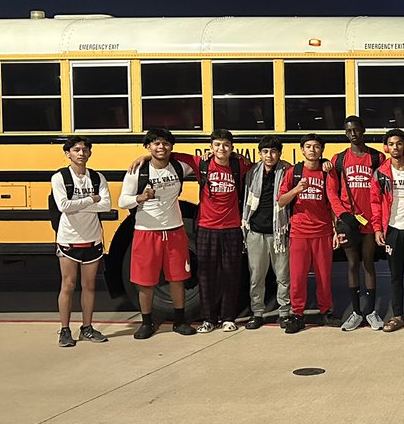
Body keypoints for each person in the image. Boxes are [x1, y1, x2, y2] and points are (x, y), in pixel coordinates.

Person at [168, 130, 253, 333]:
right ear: (210, 147)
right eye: (217, 145)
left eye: (225, 145)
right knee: (206, 276)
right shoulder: (201, 163)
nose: (221, 149)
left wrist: (240, 157)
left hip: (232, 227)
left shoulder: (238, 165)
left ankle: (228, 317)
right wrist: (145, 156)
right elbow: (172, 155)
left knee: (231, 275)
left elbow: (263, 167)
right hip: (207, 227)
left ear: (231, 148)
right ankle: (208, 319)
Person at [118, 128, 198, 340]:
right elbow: (122, 200)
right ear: (148, 146)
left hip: (174, 230)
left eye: (165, 143)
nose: (160, 147)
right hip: (146, 232)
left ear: (171, 147)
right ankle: (146, 322)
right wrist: (140, 197)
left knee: (178, 278)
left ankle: (180, 321)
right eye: (155, 143)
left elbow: (202, 160)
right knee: (145, 281)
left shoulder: (179, 167)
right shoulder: (138, 171)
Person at [277, 133, 345, 333]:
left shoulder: (327, 173)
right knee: (297, 277)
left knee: (324, 276)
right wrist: (296, 190)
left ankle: (326, 311)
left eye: (316, 147)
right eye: (308, 146)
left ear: (322, 150)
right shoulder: (294, 172)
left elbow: (332, 203)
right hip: (299, 232)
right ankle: (298, 314)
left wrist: (335, 230)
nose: (312, 150)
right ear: (302, 150)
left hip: (322, 231)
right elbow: (281, 201)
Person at [51, 135, 111, 347]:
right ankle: (65, 330)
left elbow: (106, 206)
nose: (81, 153)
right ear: (68, 153)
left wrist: (79, 203)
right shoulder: (60, 177)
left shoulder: (96, 177)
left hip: (93, 239)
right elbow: (63, 206)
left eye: (85, 149)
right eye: (76, 149)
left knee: (89, 285)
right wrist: (91, 200)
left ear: (90, 153)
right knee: (68, 285)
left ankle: (87, 327)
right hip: (68, 240)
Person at [333, 116, 384, 331]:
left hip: (370, 220)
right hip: (349, 221)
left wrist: (380, 219)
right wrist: (341, 216)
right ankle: (356, 312)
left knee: (368, 263)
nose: (353, 134)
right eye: (349, 131)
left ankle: (371, 311)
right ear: (345, 134)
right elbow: (331, 191)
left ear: (363, 130)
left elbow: (384, 189)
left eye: (356, 129)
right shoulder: (339, 159)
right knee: (352, 264)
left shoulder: (376, 157)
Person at [371, 128, 404, 332]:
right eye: (391, 144)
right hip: (392, 229)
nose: (395, 147)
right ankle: (398, 315)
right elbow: (374, 202)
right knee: (395, 276)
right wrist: (377, 228)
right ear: (386, 147)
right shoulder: (381, 173)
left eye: (399, 143)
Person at [241, 135, 291, 330]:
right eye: (264, 152)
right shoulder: (252, 172)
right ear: (259, 154)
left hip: (279, 231)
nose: (268, 155)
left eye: (272, 151)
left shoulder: (288, 171)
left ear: (279, 153)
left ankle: (285, 312)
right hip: (255, 231)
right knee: (256, 276)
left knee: (283, 275)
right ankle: (258, 312)